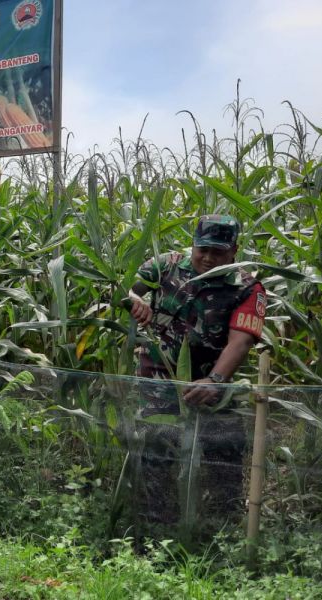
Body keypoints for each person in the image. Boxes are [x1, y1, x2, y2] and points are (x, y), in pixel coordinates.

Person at [127, 214, 266, 531]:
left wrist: (215, 380)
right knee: (158, 450)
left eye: (218, 251)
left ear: (234, 249)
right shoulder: (165, 266)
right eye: (202, 249)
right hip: (159, 380)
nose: (208, 258)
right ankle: (158, 528)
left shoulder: (247, 287)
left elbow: (241, 340)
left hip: (214, 386)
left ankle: (221, 527)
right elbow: (126, 289)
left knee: (224, 452)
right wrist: (137, 302)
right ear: (193, 243)